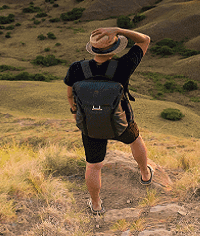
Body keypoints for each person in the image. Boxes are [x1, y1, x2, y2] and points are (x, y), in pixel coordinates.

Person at [64, 27, 153, 216]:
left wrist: (76, 115)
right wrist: (119, 29)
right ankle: (145, 174)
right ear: (115, 49)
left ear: (92, 49)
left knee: (94, 165)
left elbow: (70, 96)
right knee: (135, 140)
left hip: (90, 125)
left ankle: (96, 205)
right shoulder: (124, 65)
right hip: (121, 121)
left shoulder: (76, 68)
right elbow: (145, 40)